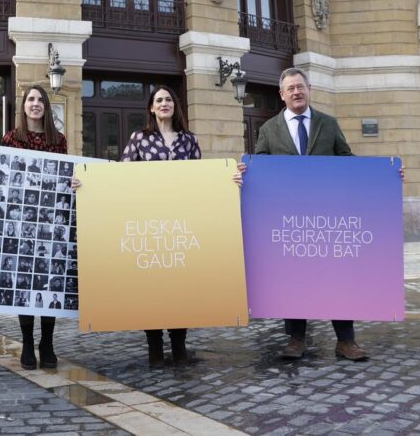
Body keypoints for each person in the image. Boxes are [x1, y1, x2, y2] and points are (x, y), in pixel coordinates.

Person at [116, 85, 244, 368]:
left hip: (182, 224)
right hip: (149, 224)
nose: (164, 104)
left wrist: (228, 180)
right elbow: (120, 176)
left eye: (169, 100)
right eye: (159, 100)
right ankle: (154, 347)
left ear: (175, 106)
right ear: (151, 107)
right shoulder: (139, 139)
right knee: (151, 287)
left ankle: (179, 345)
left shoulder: (189, 140)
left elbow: (201, 178)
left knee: (180, 286)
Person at [253, 67, 366, 362]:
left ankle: (346, 341)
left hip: (328, 216)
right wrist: (245, 173)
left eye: (300, 87)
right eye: (290, 88)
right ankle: (296, 340)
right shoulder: (268, 129)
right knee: (294, 278)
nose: (296, 92)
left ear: (309, 88)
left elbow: (347, 160)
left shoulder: (328, 124)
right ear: (281, 94)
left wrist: (385, 175)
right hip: (289, 219)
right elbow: (260, 168)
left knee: (336, 278)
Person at [0, 84, 67, 371]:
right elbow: (1, 176)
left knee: (44, 280)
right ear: (23, 106)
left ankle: (47, 342)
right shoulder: (11, 138)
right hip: (18, 223)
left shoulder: (59, 140)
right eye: (30, 99)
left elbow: (64, 176)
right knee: (24, 281)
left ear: (46, 106)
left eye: (40, 100)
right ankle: (28, 343)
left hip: (48, 221)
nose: (35, 104)